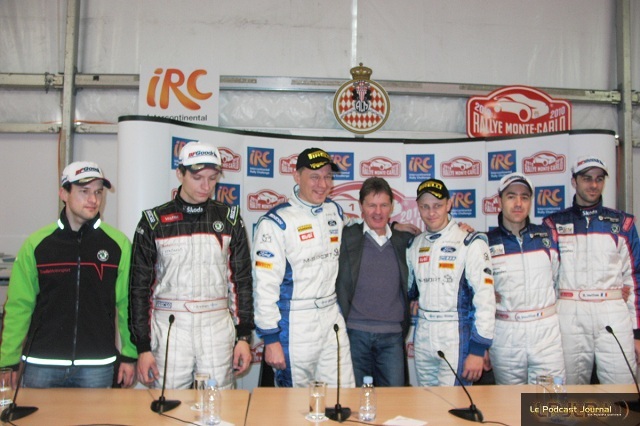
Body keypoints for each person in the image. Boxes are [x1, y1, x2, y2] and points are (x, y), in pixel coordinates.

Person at [128, 142, 254, 390]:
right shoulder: (154, 222)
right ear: (180, 173)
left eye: (212, 178)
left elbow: (241, 282)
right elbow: (138, 289)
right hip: (170, 328)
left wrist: (243, 337)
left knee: (219, 402)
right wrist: (142, 347)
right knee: (168, 403)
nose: (206, 186)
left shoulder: (229, 219)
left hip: (216, 326)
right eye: (197, 178)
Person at [0, 161, 136, 388]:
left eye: (98, 192)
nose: (93, 200)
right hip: (42, 364)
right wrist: (8, 360)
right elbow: (18, 306)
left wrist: (130, 355)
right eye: (84, 191)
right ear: (64, 193)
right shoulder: (37, 245)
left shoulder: (118, 244)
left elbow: (127, 304)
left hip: (97, 365)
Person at [252, 147, 356, 388]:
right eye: (315, 177)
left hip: (331, 317)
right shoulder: (276, 222)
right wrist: (271, 339)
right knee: (296, 401)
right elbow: (264, 286)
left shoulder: (334, 211)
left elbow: (356, 226)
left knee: (343, 395)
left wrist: (393, 227)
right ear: (297, 177)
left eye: (328, 177)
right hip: (295, 323)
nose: (323, 184)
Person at [543, 155, 640, 385]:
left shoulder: (622, 223)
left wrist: (637, 333)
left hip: (612, 310)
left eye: (599, 179)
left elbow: (635, 277)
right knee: (567, 388)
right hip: (569, 311)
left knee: (622, 386)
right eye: (587, 178)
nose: (594, 185)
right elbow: (545, 276)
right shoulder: (553, 224)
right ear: (574, 181)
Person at [407, 178, 495, 386]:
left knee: (453, 401)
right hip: (424, 332)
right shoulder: (414, 245)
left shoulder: (470, 241)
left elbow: (485, 299)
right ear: (418, 207)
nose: (431, 212)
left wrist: (478, 349)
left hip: (455, 333)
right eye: (425, 206)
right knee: (426, 400)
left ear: (449, 204)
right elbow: (410, 291)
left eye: (437, 205)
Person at [487, 172, 565, 384]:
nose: (518, 203)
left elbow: (558, 279)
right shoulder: (485, 242)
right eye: (511, 196)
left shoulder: (549, 236)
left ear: (531, 201)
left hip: (546, 332)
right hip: (505, 333)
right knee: (510, 401)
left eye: (524, 197)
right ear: (499, 201)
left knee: (551, 400)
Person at [335, 177, 413, 387]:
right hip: (354, 334)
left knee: (394, 400)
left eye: (383, 205)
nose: (378, 212)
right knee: (355, 401)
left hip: (392, 337)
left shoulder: (404, 241)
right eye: (371, 205)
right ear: (361, 206)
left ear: (391, 207)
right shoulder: (345, 237)